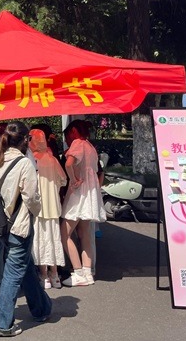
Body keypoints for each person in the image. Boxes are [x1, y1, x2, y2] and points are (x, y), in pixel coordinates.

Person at [0, 122, 52, 338]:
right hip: (20, 225)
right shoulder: (24, 163)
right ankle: (1, 323)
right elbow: (32, 197)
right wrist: (37, 210)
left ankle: (41, 308)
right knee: (14, 273)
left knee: (25, 267)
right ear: (25, 140)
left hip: (1, 224)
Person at [60, 119, 107, 287]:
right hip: (90, 195)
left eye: (67, 135)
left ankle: (78, 271)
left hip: (79, 194)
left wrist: (73, 179)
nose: (67, 140)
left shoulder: (78, 144)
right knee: (85, 234)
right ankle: (87, 273)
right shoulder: (90, 146)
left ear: (73, 131)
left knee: (64, 233)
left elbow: (69, 163)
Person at [29, 128, 67, 289]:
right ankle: (55, 275)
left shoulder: (32, 160)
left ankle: (44, 276)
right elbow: (63, 179)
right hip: (53, 205)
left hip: (38, 206)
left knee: (40, 240)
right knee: (53, 238)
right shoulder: (52, 159)